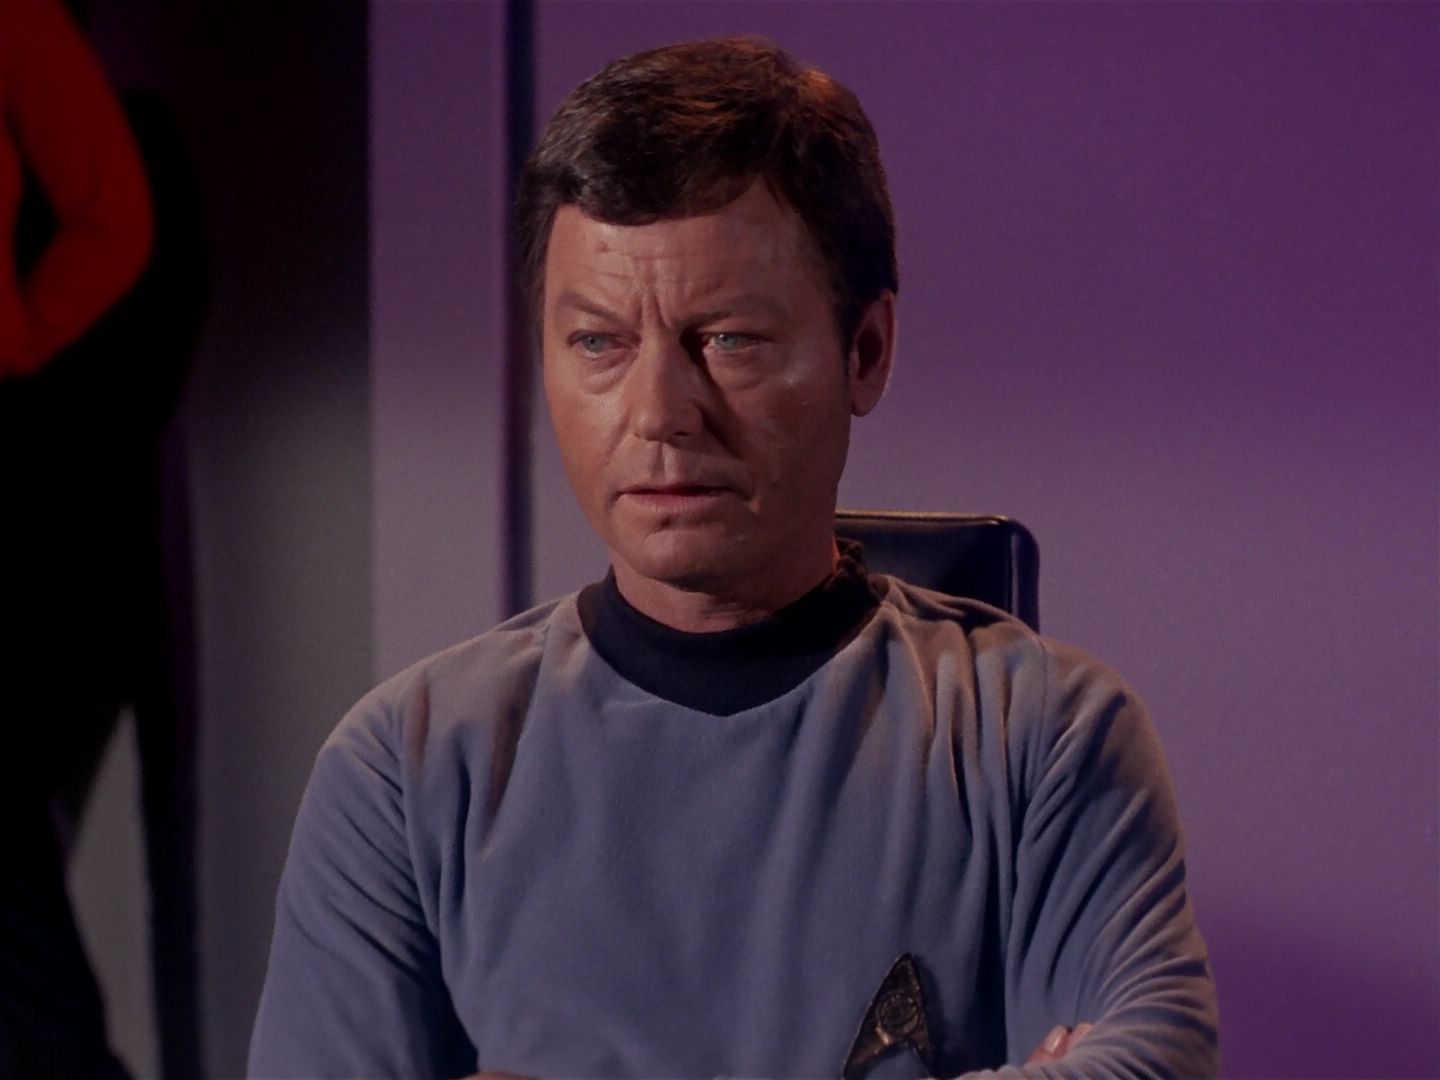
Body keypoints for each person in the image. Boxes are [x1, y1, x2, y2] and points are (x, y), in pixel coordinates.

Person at [249, 37, 1219, 1080]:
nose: (661, 414)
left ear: (866, 352)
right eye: (598, 343)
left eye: (727, 340)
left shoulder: (1044, 737)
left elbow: (1154, 1060)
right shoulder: (405, 772)